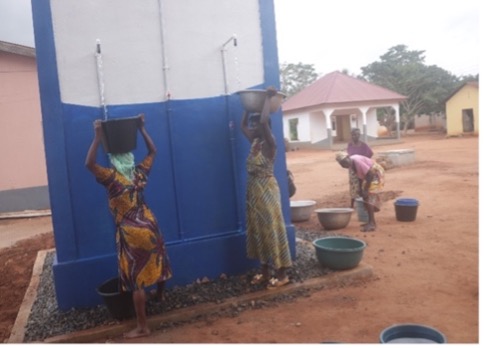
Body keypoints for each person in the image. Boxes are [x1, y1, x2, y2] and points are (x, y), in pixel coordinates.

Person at [85, 114, 172, 338]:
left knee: (136, 281)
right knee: (157, 259)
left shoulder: (112, 178)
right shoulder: (139, 174)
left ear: (114, 160)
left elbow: (89, 164)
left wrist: (97, 137)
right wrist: (142, 129)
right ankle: (161, 295)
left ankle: (143, 326)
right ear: (130, 159)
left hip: (131, 231)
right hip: (150, 223)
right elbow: (153, 151)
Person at [240, 87, 292, 289]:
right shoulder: (255, 143)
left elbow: (262, 121)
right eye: (253, 124)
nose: (253, 126)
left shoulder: (271, 144)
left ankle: (282, 274)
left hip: (267, 191)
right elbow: (243, 124)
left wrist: (267, 100)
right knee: (259, 231)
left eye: (257, 124)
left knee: (272, 230)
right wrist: (247, 106)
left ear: (266, 128)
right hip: (254, 193)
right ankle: (264, 272)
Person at [336, 152, 384, 232]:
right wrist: (360, 189)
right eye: (342, 164)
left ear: (348, 157)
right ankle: (370, 221)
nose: (343, 165)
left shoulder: (356, 161)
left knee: (369, 197)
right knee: (365, 196)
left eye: (344, 162)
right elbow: (360, 177)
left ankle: (372, 224)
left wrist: (365, 189)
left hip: (375, 174)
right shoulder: (351, 164)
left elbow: (370, 174)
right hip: (370, 175)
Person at [346, 128, 374, 208]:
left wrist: (363, 161)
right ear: (351, 135)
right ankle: (352, 205)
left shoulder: (363, 145)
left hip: (362, 168)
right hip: (352, 169)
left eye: (358, 134)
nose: (356, 136)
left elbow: (370, 154)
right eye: (354, 135)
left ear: (360, 135)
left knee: (363, 185)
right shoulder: (350, 145)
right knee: (353, 186)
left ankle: (365, 204)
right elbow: (349, 156)